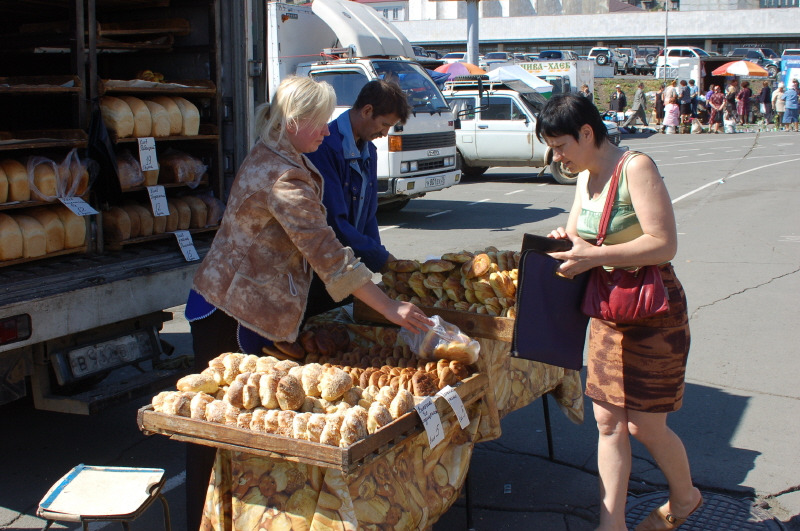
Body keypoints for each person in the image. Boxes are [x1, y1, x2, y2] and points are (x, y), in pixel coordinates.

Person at [183, 76, 431, 530]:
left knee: (239, 435)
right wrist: (390, 307)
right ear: (296, 120)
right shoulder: (283, 175)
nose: (326, 131)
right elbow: (328, 253)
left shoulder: (280, 154)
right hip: (231, 310)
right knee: (217, 434)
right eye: (319, 123)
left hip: (246, 304)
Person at [535, 93, 701, 531]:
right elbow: (578, 238)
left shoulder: (635, 167)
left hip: (652, 310)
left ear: (587, 133)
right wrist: (564, 242)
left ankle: (685, 497)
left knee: (645, 426)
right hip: (608, 310)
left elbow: (663, 243)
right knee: (608, 422)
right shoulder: (583, 177)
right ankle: (612, 525)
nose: (557, 156)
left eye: (560, 145)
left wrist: (595, 255)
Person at [304, 80, 410, 320]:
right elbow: (334, 223)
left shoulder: (369, 150)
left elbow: (369, 215)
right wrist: (382, 260)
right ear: (367, 111)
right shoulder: (324, 148)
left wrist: (381, 260)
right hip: (321, 271)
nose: (385, 134)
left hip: (350, 268)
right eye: (384, 125)